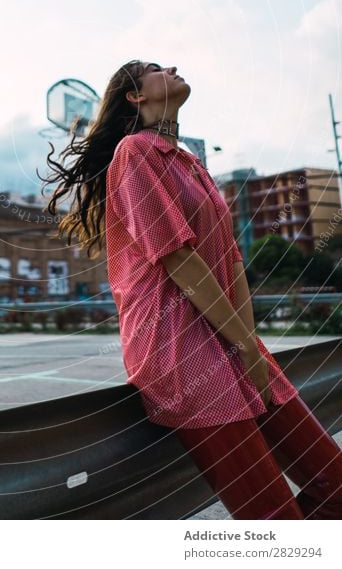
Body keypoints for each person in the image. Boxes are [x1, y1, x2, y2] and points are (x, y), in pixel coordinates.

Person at [40, 59, 342, 520]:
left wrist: (249, 344)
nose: (174, 66)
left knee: (334, 484)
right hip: (180, 352)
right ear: (136, 97)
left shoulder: (189, 163)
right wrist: (244, 347)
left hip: (234, 343)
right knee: (274, 520)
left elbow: (232, 261)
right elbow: (178, 257)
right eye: (156, 68)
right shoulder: (134, 153)